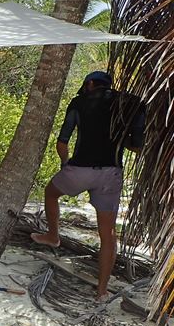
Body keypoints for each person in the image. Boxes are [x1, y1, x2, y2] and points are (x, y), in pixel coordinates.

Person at [31, 71, 145, 300]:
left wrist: (65, 165)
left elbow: (62, 142)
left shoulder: (79, 102)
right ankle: (101, 291)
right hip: (110, 173)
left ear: (90, 84)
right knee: (108, 234)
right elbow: (137, 146)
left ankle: (53, 236)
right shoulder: (130, 103)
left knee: (51, 193)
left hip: (80, 170)